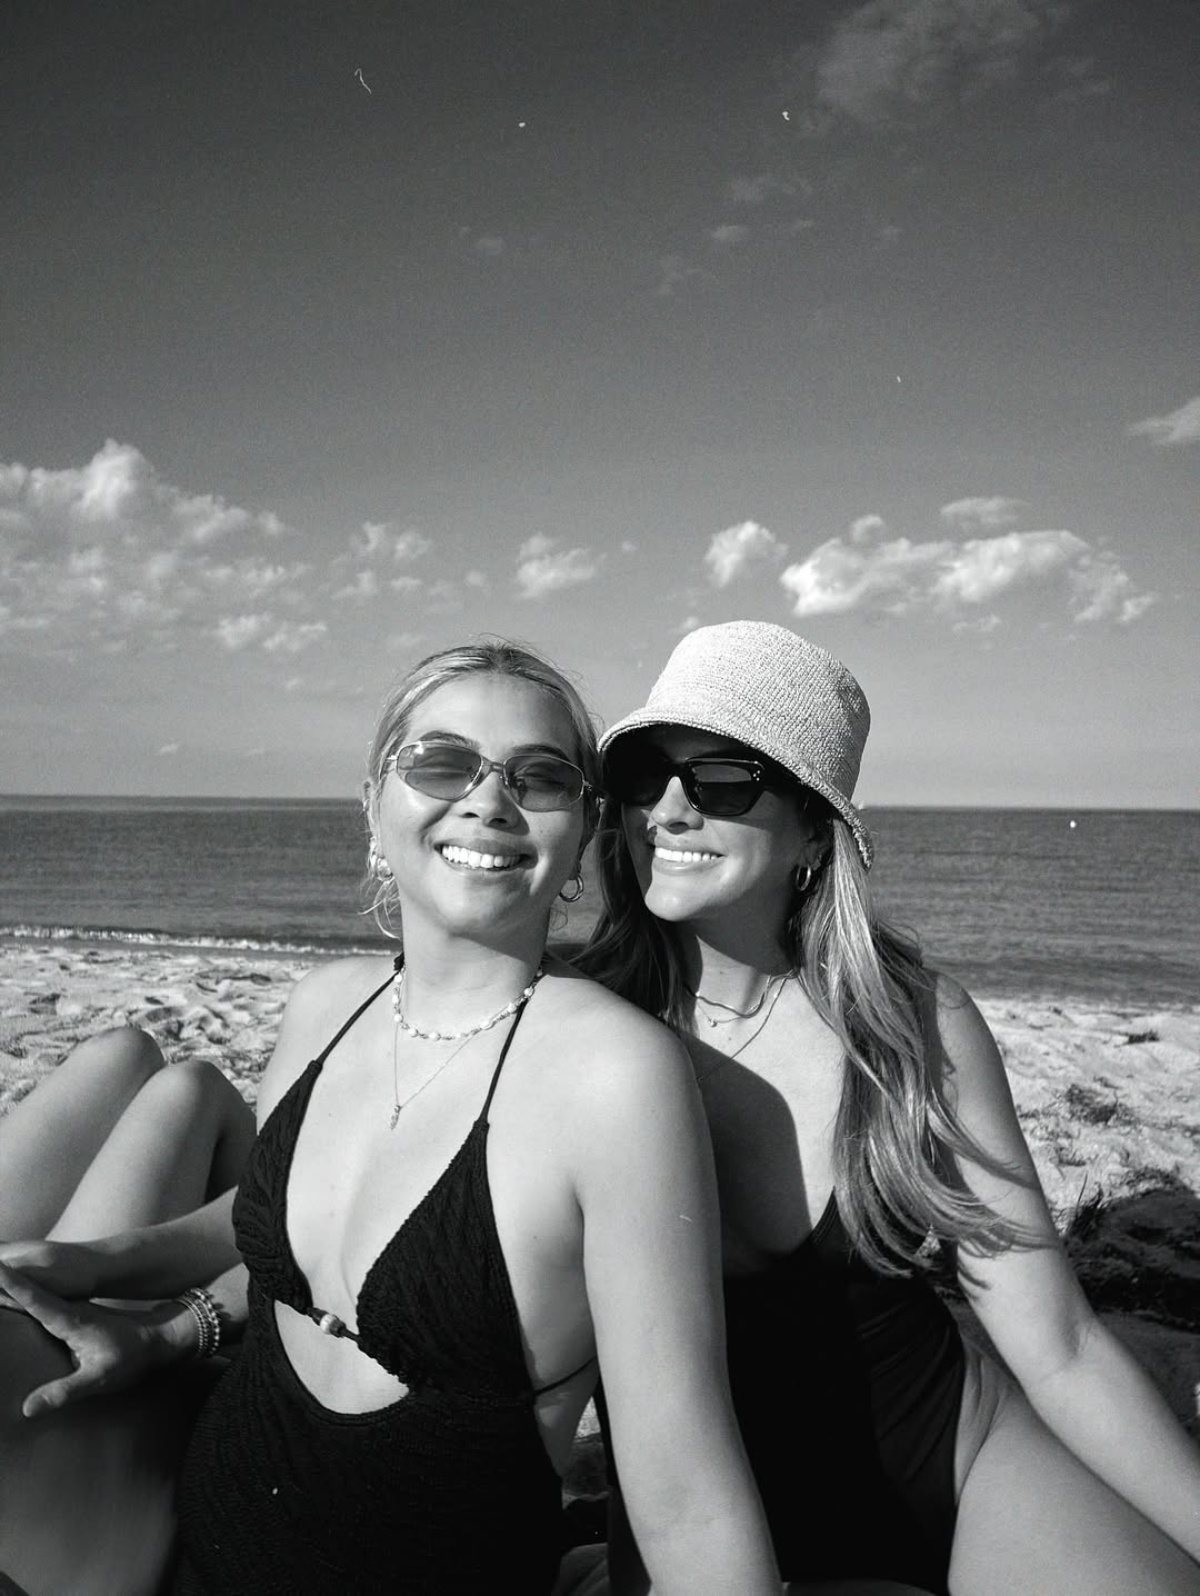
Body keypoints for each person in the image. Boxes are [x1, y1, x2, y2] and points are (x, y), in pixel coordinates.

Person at [0, 640, 781, 1596]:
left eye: (539, 778)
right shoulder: (325, 1007)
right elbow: (288, 1225)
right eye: (442, 763)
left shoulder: (615, 1080)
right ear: (375, 805)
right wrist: (116, 1278)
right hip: (184, 1538)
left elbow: (689, 1502)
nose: (489, 802)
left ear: (582, 832)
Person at [579, 620, 1200, 1595]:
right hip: (706, 1521)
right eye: (643, 774)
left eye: (723, 780)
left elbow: (1061, 1345)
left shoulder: (910, 1023)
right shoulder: (576, 1022)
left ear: (811, 833)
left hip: (955, 1459)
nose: (666, 809)